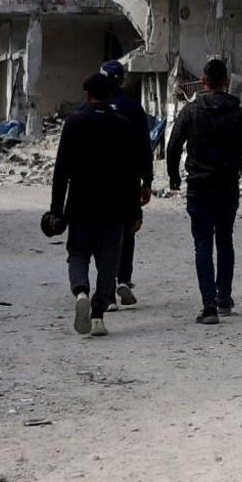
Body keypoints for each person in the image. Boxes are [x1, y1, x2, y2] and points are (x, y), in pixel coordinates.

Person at [48, 73, 151, 337]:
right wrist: (135, 211)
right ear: (110, 95)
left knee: (78, 254)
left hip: (80, 204)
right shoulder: (124, 125)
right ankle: (97, 316)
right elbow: (132, 173)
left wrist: (56, 210)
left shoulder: (74, 123)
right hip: (114, 207)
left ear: (88, 95)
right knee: (108, 262)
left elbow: (61, 172)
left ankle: (81, 291)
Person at [165, 58, 242, 325]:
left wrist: (174, 178)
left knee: (202, 244)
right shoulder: (236, 112)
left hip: (199, 187)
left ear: (203, 82)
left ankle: (209, 306)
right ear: (226, 82)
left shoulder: (191, 110)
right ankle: (224, 298)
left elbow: (173, 147)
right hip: (227, 187)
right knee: (225, 240)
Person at [102, 60, 150, 308]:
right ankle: (124, 277)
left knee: (103, 233)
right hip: (128, 179)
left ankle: (107, 292)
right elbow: (145, 146)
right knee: (128, 228)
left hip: (98, 182)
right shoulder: (133, 108)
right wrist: (148, 180)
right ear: (122, 81)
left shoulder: (89, 109)